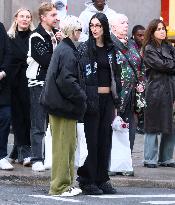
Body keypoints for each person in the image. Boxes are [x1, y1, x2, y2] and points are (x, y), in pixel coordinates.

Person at [40, 15, 87, 196]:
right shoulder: (67, 51)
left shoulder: (64, 48)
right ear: (73, 31)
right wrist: (82, 96)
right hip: (63, 106)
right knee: (62, 148)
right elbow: (67, 80)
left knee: (66, 147)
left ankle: (65, 184)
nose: (80, 33)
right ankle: (59, 187)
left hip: (60, 105)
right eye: (79, 30)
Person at [77, 13, 121, 195]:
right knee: (92, 140)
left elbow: (117, 76)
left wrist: (117, 101)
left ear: (104, 27)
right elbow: (80, 75)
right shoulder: (84, 48)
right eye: (92, 25)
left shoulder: (112, 48)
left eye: (98, 26)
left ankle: (103, 178)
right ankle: (87, 179)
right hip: (91, 100)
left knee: (105, 140)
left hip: (108, 100)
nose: (94, 29)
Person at [27, 2, 59, 172]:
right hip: (38, 83)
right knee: (39, 122)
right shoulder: (36, 36)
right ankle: (36, 158)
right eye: (53, 15)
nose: (57, 18)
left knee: (52, 123)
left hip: (53, 84)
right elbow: (47, 61)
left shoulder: (55, 34)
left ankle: (49, 156)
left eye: (56, 14)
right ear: (43, 17)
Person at [110, 14, 145, 153]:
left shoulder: (131, 44)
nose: (126, 25)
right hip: (116, 94)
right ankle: (112, 160)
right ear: (113, 27)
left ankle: (126, 159)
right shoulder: (109, 44)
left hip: (132, 93)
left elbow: (141, 66)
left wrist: (141, 82)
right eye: (122, 23)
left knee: (130, 127)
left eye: (127, 22)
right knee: (114, 126)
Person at [143, 19, 175, 168]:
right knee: (153, 125)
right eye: (159, 29)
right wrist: (170, 65)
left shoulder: (169, 47)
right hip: (155, 91)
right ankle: (150, 158)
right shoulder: (149, 48)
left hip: (171, 89)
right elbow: (161, 65)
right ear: (152, 32)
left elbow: (168, 66)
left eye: (163, 29)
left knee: (170, 124)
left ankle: (166, 158)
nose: (162, 31)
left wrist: (169, 66)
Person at [7, 8, 35, 166]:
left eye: (28, 17)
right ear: (16, 18)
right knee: (17, 117)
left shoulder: (34, 36)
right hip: (13, 82)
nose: (25, 19)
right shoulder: (9, 37)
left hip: (29, 81)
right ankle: (22, 151)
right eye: (22, 16)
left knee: (27, 116)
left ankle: (19, 151)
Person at [0, 22, 13, 170]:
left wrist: (3, 72)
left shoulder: (0, 27)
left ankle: (2, 156)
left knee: (5, 117)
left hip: (2, 84)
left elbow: (8, 53)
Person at [131, 25, 146, 135]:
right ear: (133, 36)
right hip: (133, 80)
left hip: (145, 79)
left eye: (144, 35)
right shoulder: (130, 48)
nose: (142, 38)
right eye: (139, 35)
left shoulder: (146, 47)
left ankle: (142, 122)